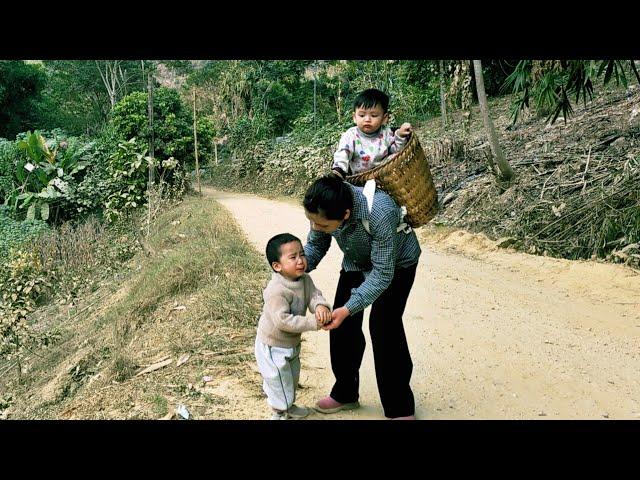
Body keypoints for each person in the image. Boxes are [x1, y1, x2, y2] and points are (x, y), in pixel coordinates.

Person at [303, 174, 422, 419]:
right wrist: (295, 270)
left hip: (397, 264)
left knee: (384, 326)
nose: (316, 228)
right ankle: (345, 393)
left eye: (323, 225)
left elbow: (381, 275)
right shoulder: (325, 208)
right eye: (311, 221)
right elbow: (315, 245)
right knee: (340, 327)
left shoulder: (380, 211)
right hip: (357, 260)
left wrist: (348, 308)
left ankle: (400, 407)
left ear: (345, 215)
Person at [254, 233, 332, 420]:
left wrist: (320, 305)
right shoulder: (276, 291)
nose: (300, 261)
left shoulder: (304, 279)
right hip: (273, 345)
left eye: (302, 254)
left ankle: (287, 406)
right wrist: (314, 323)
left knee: (290, 377)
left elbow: (314, 295)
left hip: (291, 343)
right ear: (277, 266)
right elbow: (283, 321)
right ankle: (279, 413)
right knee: (279, 380)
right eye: (293, 257)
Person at [331, 88, 413, 180]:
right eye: (362, 115)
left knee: (395, 158)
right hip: (360, 179)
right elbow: (343, 152)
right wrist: (339, 170)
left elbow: (396, 151)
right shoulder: (351, 135)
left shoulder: (386, 133)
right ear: (354, 117)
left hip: (384, 176)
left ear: (384, 118)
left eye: (373, 116)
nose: (367, 119)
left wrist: (400, 135)